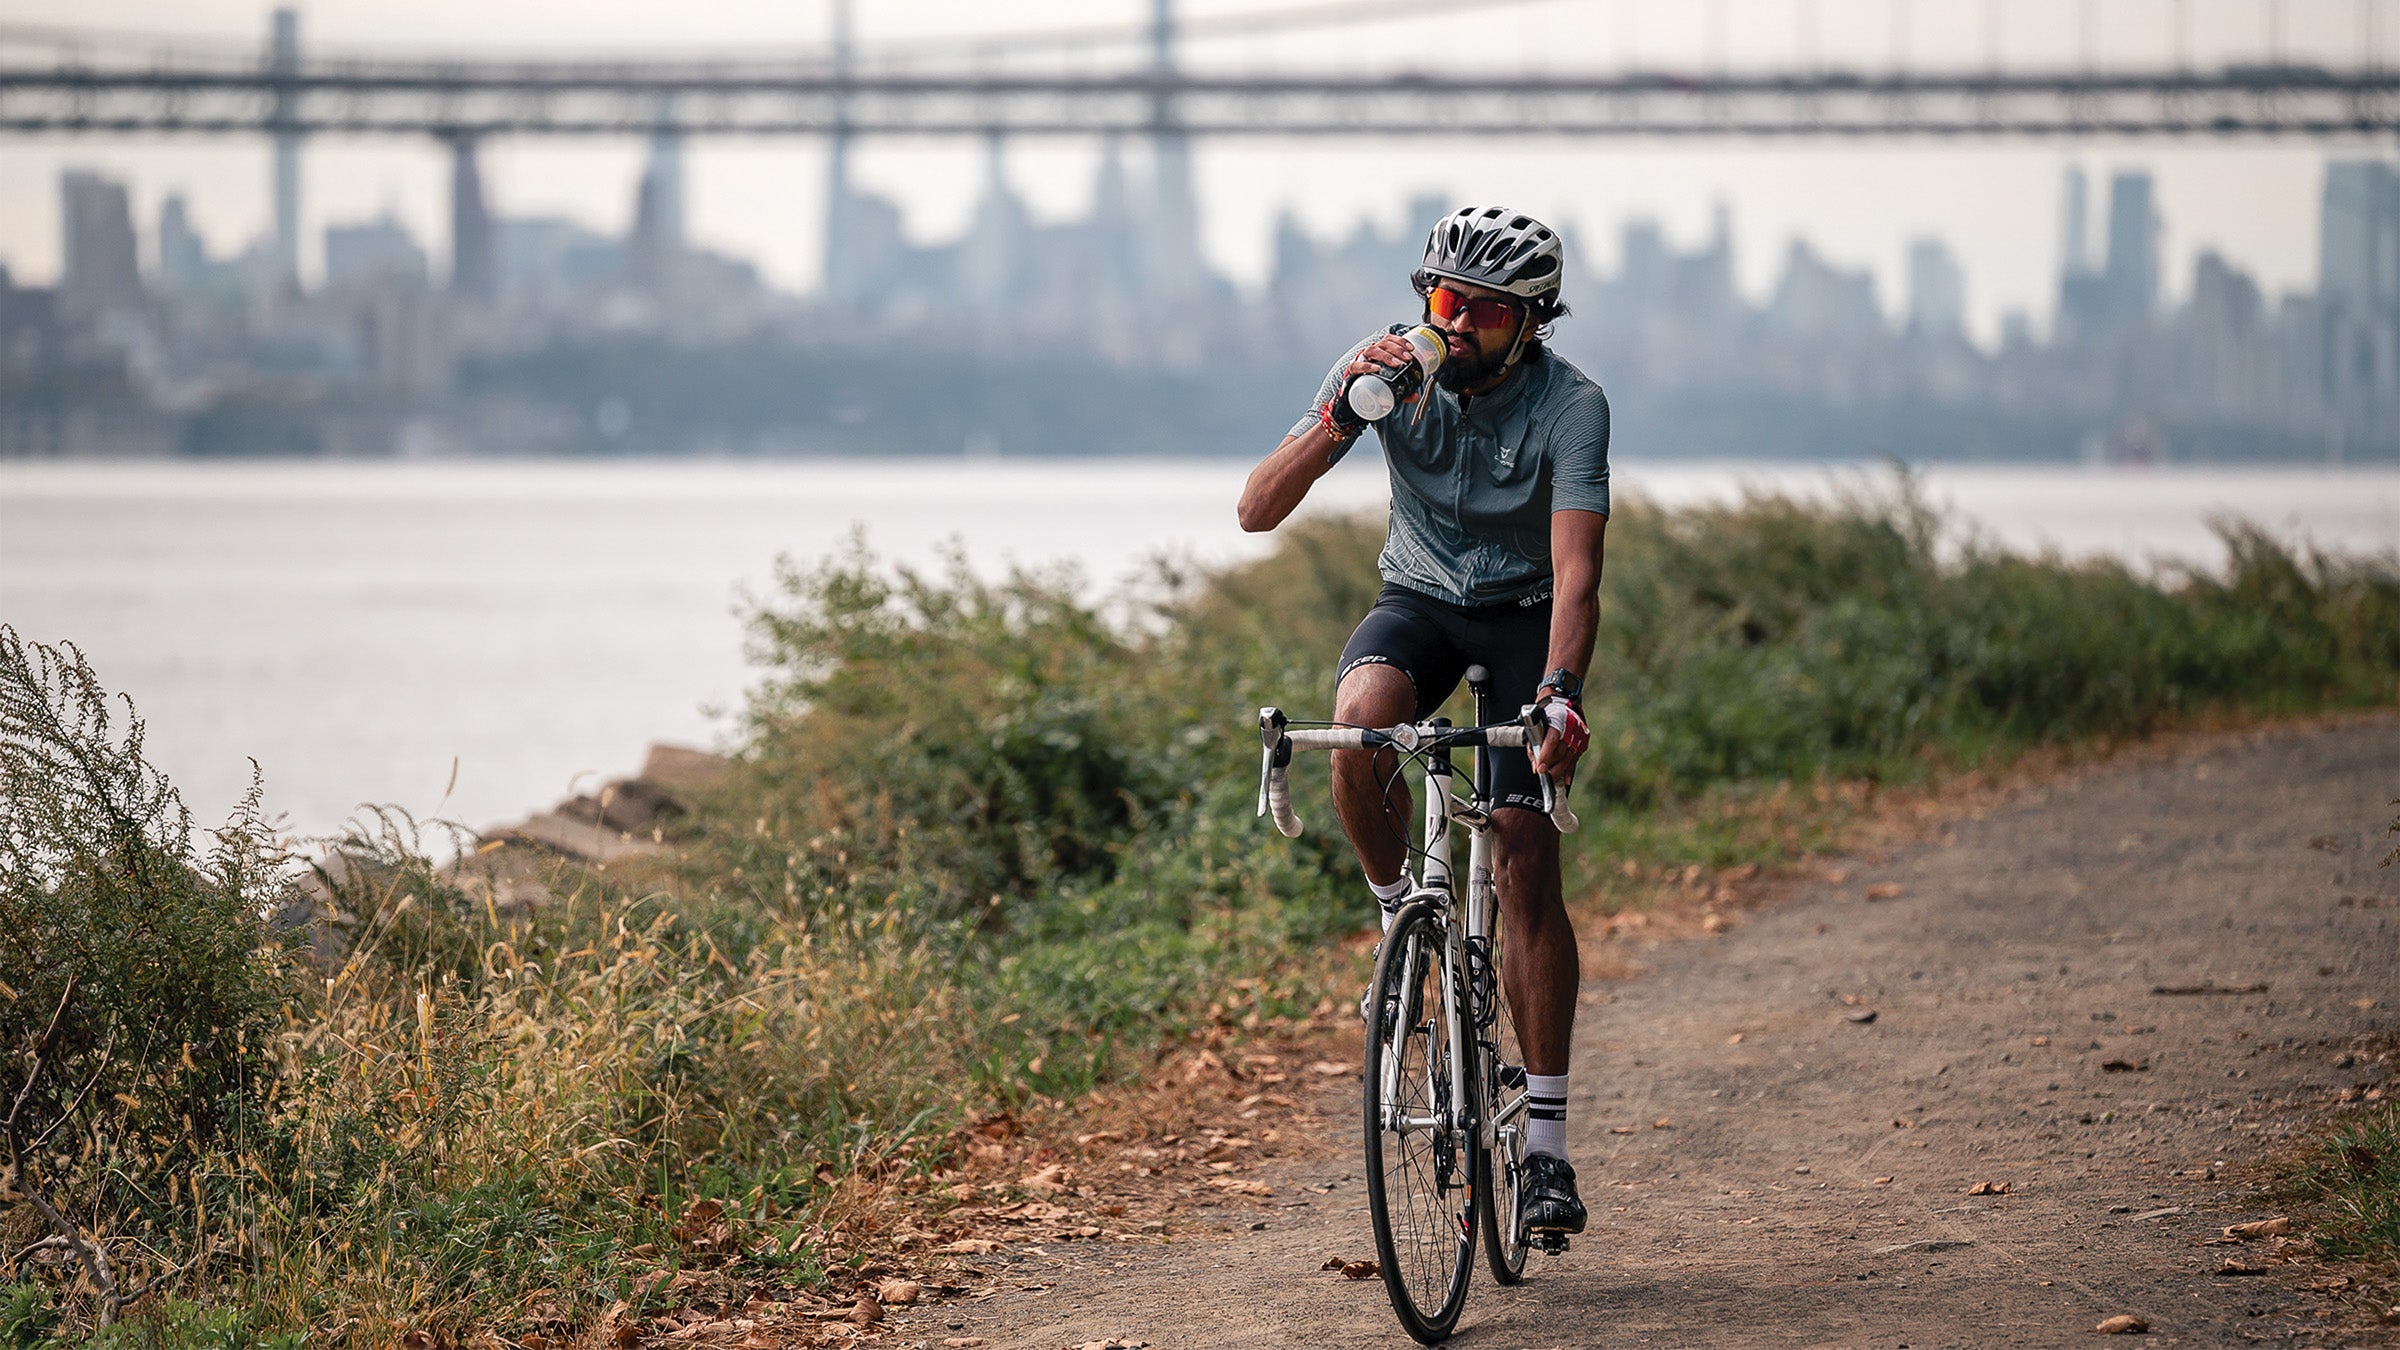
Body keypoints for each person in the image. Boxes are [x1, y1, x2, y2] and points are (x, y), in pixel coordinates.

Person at [1236, 205, 1608, 1245]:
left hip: (1527, 614)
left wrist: (1563, 690)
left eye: (1488, 313)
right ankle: (1399, 915)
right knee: (1359, 724)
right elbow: (1257, 509)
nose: (1461, 327)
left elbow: (1579, 571)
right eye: (1446, 304)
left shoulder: (1574, 406)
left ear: (1533, 323)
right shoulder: (1380, 370)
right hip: (1422, 601)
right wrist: (1344, 418)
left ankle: (1543, 1150)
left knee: (1526, 853)